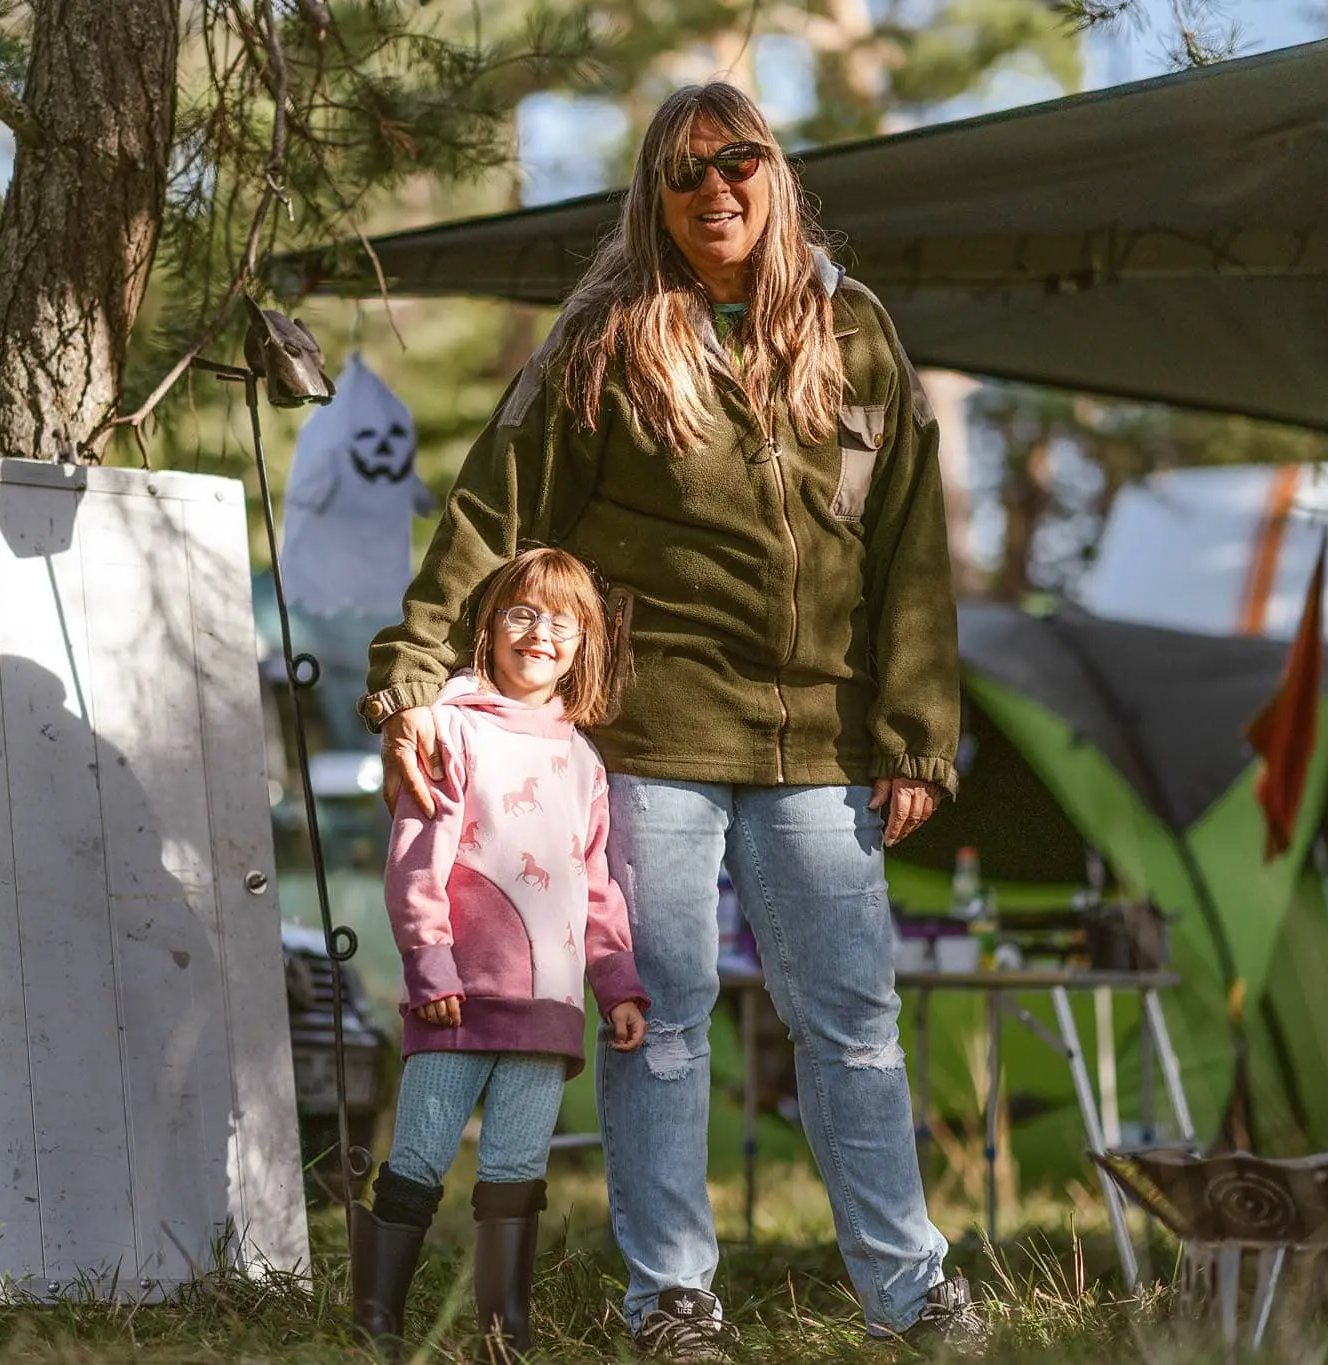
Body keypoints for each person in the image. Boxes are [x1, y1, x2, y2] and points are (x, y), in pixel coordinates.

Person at [359, 81, 980, 1357]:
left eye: (738, 164)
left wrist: (917, 734)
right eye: (686, 174)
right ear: (654, 197)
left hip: (821, 743)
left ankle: (907, 1294)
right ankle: (671, 1300)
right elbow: (494, 509)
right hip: (650, 734)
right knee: (662, 1015)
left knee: (854, 1021)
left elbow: (911, 539)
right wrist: (416, 671)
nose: (716, 192)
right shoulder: (603, 335)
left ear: (775, 176)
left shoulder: (855, 332)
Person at [349, 547, 650, 1360]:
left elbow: (596, 888)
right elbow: (416, 860)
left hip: (548, 1010)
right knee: (419, 1155)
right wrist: (430, 968)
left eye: (562, 619)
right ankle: (376, 1319)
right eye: (522, 612)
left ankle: (501, 1331)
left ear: (585, 642)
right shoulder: (449, 725)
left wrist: (616, 981)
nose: (539, 632)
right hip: (457, 998)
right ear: (488, 624)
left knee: (515, 1170)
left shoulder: (584, 760)